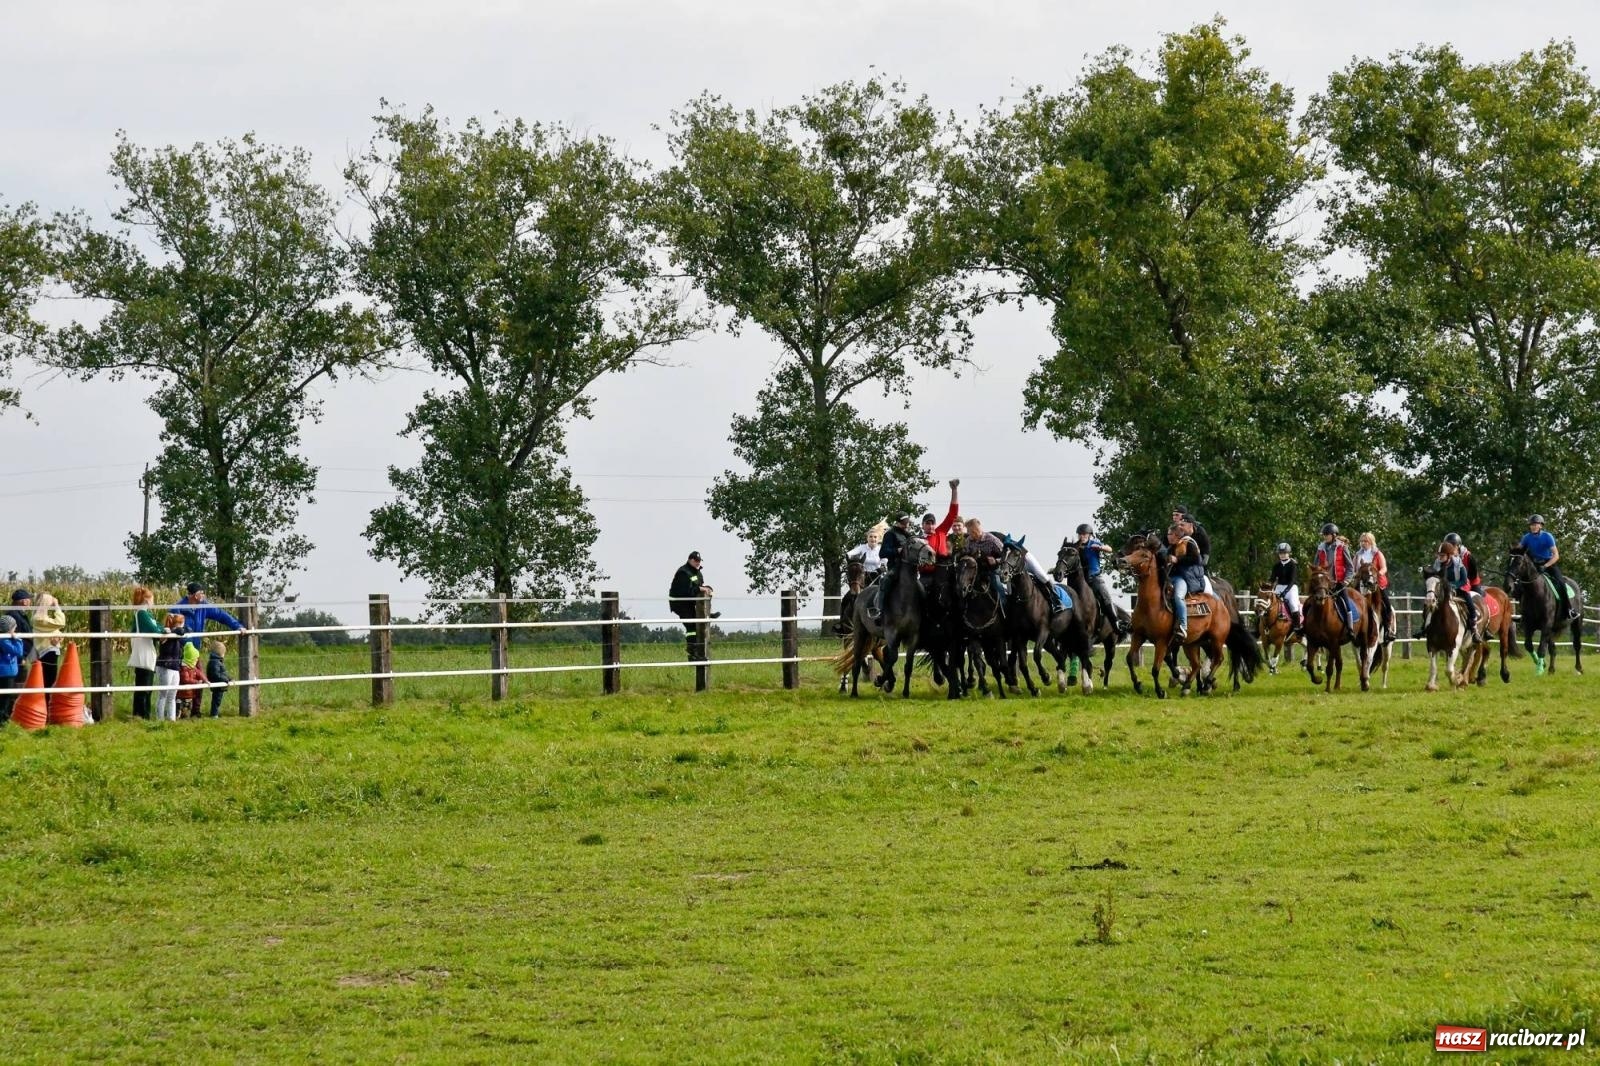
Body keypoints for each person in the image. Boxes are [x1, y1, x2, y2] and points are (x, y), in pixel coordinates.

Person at [1520, 514, 1579, 620]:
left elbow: (1556, 555)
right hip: (1533, 565)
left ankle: (1569, 609)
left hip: (1549, 563)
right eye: (1532, 525)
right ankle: (1523, 612)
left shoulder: (1547, 537)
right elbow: (1520, 552)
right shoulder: (1526, 538)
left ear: (1541, 526)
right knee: (1520, 584)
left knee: (1561, 583)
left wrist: (1546, 565)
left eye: (1536, 524)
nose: (1533, 526)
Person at [1074, 524, 1128, 635]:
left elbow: (1109, 549)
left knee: (1105, 597)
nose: (1082, 536)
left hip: (1094, 578)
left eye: (1084, 534)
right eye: (1080, 534)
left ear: (1089, 535)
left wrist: (1100, 548)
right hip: (1079, 580)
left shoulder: (1094, 543)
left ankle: (1115, 622)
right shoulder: (1075, 547)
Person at [835, 521, 887, 635]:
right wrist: (855, 560)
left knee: (885, 596)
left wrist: (882, 568)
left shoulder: (881, 549)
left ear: (878, 539)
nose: (872, 539)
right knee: (846, 599)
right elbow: (849, 554)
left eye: (875, 537)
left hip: (877, 577)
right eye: (870, 537)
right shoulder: (862, 547)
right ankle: (842, 624)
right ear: (867, 538)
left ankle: (884, 619)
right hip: (862, 577)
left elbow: (885, 562)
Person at [1001, 533, 1070, 614]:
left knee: (1043, 577)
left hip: (1026, 559)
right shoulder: (1002, 546)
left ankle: (1057, 601)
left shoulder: (994, 540)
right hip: (1012, 562)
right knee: (1009, 584)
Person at [669, 551, 717, 661]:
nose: (698, 563)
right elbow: (686, 591)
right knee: (691, 626)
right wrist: (700, 589)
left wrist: (707, 588)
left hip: (690, 602)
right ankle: (693, 654)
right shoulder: (683, 572)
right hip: (680, 603)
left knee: (698, 624)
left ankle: (707, 612)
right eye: (696, 560)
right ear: (690, 560)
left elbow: (699, 586)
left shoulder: (697, 573)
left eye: (699, 561)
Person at [171, 582, 244, 651]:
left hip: (195, 651)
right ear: (196, 595)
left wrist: (238, 626)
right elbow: (171, 629)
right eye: (202, 593)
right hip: (179, 652)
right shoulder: (177, 609)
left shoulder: (204, 606)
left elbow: (222, 615)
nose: (204, 595)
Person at [128, 586, 165, 720]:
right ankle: (143, 715)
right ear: (147, 600)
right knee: (145, 686)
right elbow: (153, 629)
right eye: (152, 598)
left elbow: (157, 626)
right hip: (145, 654)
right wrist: (164, 631)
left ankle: (138, 714)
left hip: (145, 653)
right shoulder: (142, 613)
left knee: (142, 684)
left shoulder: (144, 613)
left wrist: (162, 629)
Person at [1167, 523, 1205, 641]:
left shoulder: (1189, 543)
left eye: (1169, 534)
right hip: (1169, 578)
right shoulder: (1170, 547)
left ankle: (1183, 626)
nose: (1167, 536)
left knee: (1178, 596)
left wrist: (1177, 559)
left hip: (1181, 577)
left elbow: (1196, 559)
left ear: (1175, 535)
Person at [1356, 531, 1395, 638]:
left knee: (1386, 605)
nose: (1363, 543)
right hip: (1361, 584)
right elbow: (1356, 569)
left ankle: (1388, 630)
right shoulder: (1358, 554)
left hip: (1375, 584)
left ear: (1371, 542)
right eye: (1362, 541)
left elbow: (1384, 568)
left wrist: (1377, 575)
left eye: (1366, 541)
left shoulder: (1377, 553)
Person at [919, 480, 961, 575]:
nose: (930, 526)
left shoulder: (941, 531)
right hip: (927, 574)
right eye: (928, 523)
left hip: (945, 571)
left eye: (932, 523)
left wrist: (954, 490)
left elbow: (953, 514)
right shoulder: (919, 539)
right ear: (922, 525)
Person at [963, 518, 1006, 605]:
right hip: (976, 571)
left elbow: (1005, 555)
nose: (968, 532)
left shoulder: (991, 539)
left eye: (969, 530)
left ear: (975, 530)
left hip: (991, 569)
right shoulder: (968, 541)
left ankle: (1004, 607)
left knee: (998, 586)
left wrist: (996, 561)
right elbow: (965, 554)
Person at [1439, 541, 1478, 634]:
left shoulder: (1458, 565)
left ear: (1449, 555)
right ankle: (1426, 626)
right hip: (1444, 590)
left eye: (1442, 555)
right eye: (1439, 555)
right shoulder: (1438, 564)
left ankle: (1474, 624)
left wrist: (1453, 586)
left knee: (1470, 603)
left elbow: (1464, 580)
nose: (1439, 558)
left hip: (1459, 588)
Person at [155, 613, 187, 722]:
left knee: (172, 696)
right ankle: (160, 719)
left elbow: (185, 631)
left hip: (174, 667)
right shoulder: (166, 633)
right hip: (166, 666)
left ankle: (171, 719)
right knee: (163, 695)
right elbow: (180, 631)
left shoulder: (175, 634)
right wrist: (175, 630)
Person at [32, 592, 66, 689]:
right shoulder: (39, 619)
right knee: (49, 681)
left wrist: (59, 636)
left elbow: (54, 628)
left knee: (49, 680)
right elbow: (60, 622)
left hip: (50, 650)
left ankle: (48, 701)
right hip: (47, 651)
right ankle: (47, 702)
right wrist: (56, 606)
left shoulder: (41, 618)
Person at [1269, 542, 1303, 632]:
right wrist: (1268, 587)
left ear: (1289, 553)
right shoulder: (1276, 566)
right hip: (1279, 587)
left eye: (1284, 553)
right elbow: (1272, 579)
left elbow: (1292, 580)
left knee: (1293, 605)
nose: (1282, 555)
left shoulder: (1292, 565)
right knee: (1268, 604)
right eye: (1280, 553)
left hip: (1291, 587)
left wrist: (1286, 591)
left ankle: (1297, 627)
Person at [0, 615, 24, 723]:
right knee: (5, 697)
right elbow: (18, 652)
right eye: (14, 626)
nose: (16, 628)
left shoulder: (5, 639)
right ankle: (3, 720)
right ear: (9, 629)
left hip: (7, 672)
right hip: (5, 673)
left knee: (6, 696)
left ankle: (4, 718)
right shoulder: (4, 640)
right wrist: (18, 640)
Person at [5, 589, 33, 666]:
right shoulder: (14, 615)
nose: (30, 602)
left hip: (20, 656)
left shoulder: (19, 614)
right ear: (24, 602)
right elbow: (14, 638)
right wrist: (21, 657)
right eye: (29, 599)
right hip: (17, 659)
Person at [206, 640, 232, 718]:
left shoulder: (217, 661)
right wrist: (226, 679)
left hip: (219, 684)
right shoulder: (215, 662)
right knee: (216, 700)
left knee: (217, 700)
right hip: (218, 685)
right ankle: (214, 714)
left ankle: (215, 713)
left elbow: (223, 673)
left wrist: (229, 678)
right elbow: (217, 674)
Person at [179, 642, 205, 717]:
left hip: (193, 649)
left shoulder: (194, 666)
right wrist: (197, 682)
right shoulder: (185, 669)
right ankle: (183, 713)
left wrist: (205, 680)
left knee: (190, 700)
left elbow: (200, 673)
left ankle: (195, 711)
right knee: (183, 701)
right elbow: (186, 679)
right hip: (184, 692)